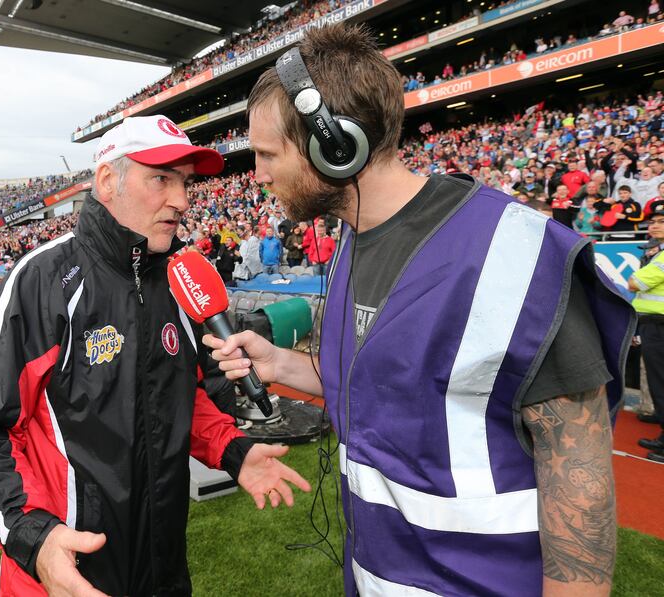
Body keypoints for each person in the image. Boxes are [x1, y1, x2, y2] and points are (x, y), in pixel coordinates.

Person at [206, 24, 634, 596]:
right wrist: (279, 364)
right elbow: (394, 383)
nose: (256, 175)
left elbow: (577, 478)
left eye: (265, 154)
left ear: (335, 145)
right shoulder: (350, 241)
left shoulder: (514, 253)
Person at [0, 115, 309, 597]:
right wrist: (34, 537)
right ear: (108, 181)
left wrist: (233, 450)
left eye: (185, 182)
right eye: (161, 178)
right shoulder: (44, 280)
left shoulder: (181, 281)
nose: (180, 200)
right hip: (60, 576)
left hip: (163, 573)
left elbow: (179, 402)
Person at [628, 200, 664, 462]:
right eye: (653, 221)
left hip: (659, 327)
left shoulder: (661, 257)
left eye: (661, 222)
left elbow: (634, 283)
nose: (654, 225)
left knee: (661, 383)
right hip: (655, 325)